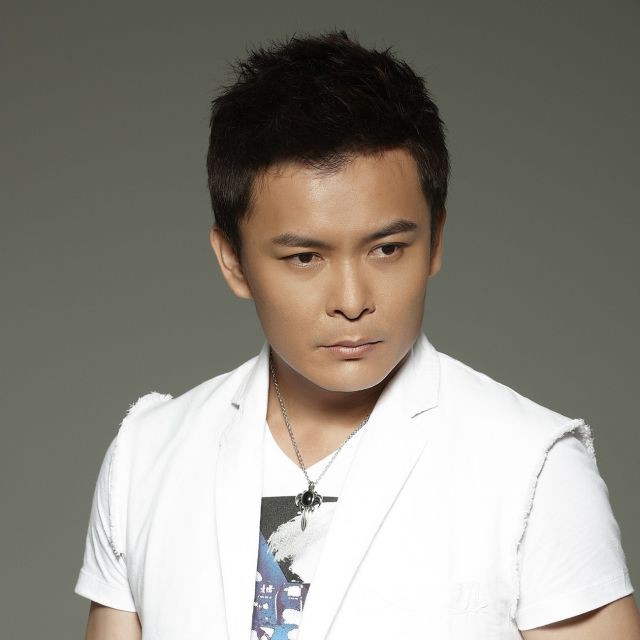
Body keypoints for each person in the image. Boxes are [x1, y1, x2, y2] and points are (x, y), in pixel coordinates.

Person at [74, 30, 639, 639]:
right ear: (233, 261)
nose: (351, 301)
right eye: (305, 258)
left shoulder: (532, 466)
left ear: (435, 241)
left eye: (387, 248)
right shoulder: (147, 456)